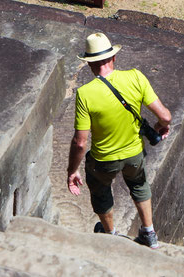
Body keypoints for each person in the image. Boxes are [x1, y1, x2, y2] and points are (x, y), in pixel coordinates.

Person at [67, 32, 171, 249]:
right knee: (139, 185)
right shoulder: (135, 77)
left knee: (101, 191)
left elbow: (80, 142)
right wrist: (160, 127)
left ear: (89, 64)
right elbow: (166, 117)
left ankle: (110, 235)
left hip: (103, 160)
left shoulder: (85, 94)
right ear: (113, 58)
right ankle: (149, 234)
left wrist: (72, 171)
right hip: (134, 154)